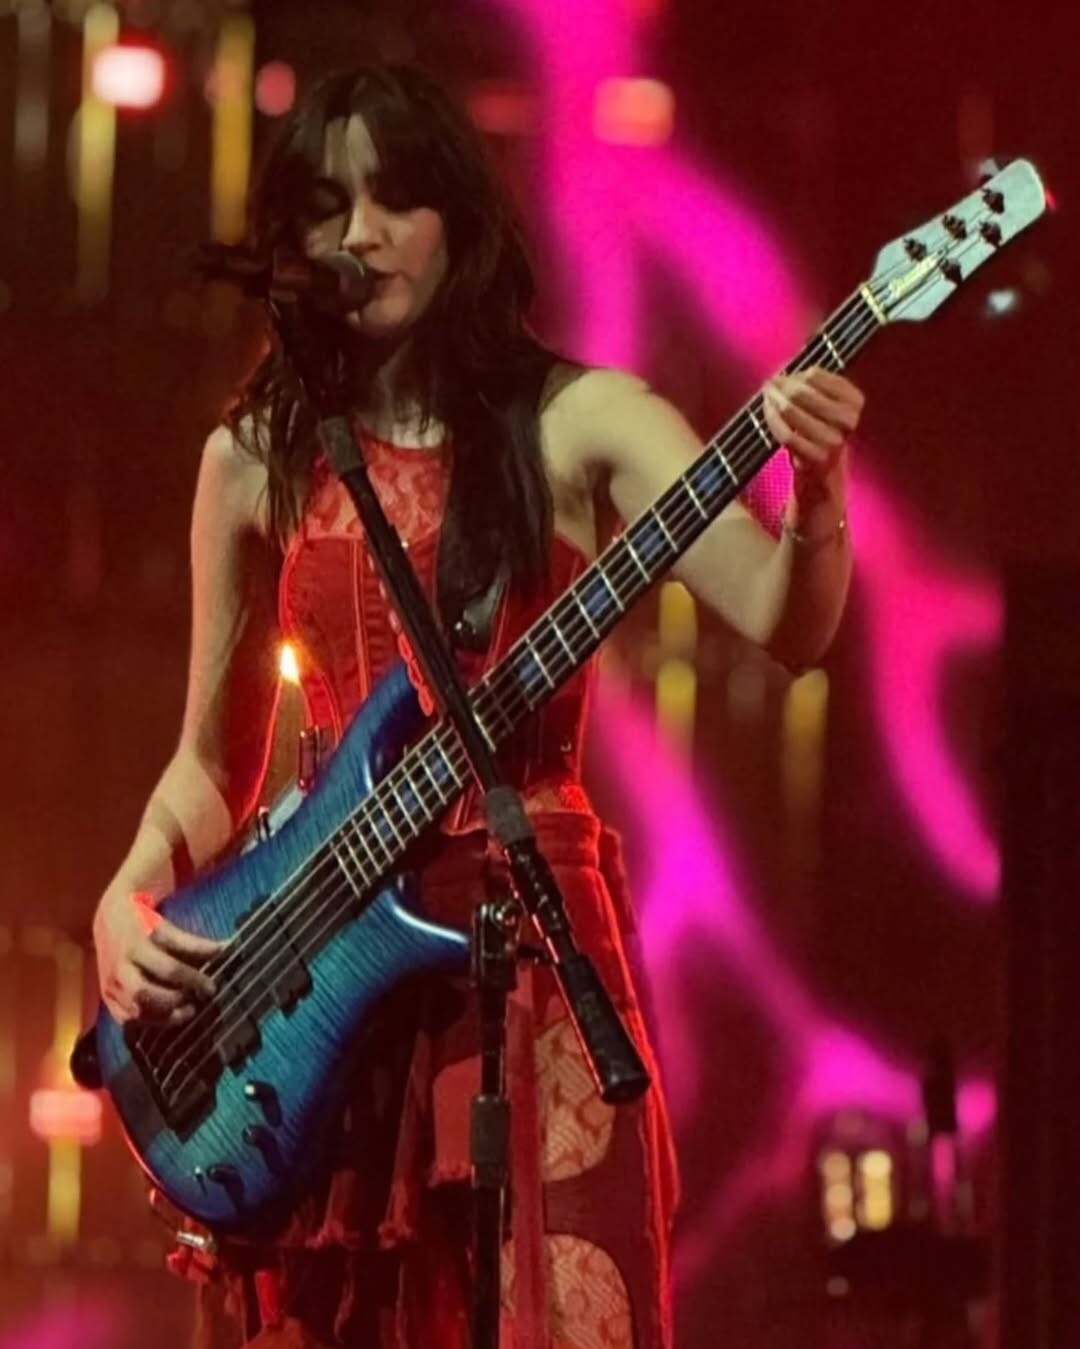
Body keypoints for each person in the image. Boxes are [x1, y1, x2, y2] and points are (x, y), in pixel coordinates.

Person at [91, 63, 864, 1349]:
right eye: (329, 206)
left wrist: (820, 492)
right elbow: (210, 767)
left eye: (397, 198)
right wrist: (126, 893)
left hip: (528, 958)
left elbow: (790, 619)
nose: (361, 235)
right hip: (320, 977)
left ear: (460, 217)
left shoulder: (578, 421)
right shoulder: (253, 459)